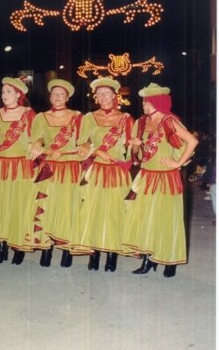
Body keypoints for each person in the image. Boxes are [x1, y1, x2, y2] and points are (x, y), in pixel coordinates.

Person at [123, 83, 199, 278]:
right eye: (143, 102)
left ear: (158, 102)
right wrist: (136, 145)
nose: (144, 105)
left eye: (148, 102)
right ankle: (149, 258)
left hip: (166, 178)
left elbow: (192, 141)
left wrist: (178, 162)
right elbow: (138, 154)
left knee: (167, 218)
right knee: (146, 218)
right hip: (146, 176)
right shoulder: (141, 123)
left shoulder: (169, 121)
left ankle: (170, 260)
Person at [70, 77, 133, 271]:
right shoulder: (89, 118)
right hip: (96, 171)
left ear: (115, 96)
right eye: (100, 94)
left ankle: (112, 254)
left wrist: (136, 148)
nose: (104, 97)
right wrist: (96, 150)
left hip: (117, 172)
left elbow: (132, 149)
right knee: (94, 212)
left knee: (115, 212)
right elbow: (80, 144)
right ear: (95, 97)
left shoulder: (126, 119)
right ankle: (94, 253)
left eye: (107, 93)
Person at [0, 77, 45, 264]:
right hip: (2, 165)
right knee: (1, 205)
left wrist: (38, 144)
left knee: (19, 205)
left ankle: (18, 246)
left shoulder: (28, 114)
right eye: (3, 92)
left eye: (9, 92)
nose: (4, 95)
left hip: (22, 166)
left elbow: (39, 136)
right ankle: (1, 245)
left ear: (18, 94)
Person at [30, 79, 83, 267]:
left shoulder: (77, 116)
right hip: (49, 168)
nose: (57, 97)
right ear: (50, 97)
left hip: (69, 167)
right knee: (47, 207)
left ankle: (67, 249)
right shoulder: (41, 117)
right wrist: (39, 145)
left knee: (67, 207)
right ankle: (47, 248)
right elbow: (36, 139)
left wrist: (74, 150)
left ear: (67, 97)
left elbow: (84, 142)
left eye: (61, 94)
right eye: (54, 94)